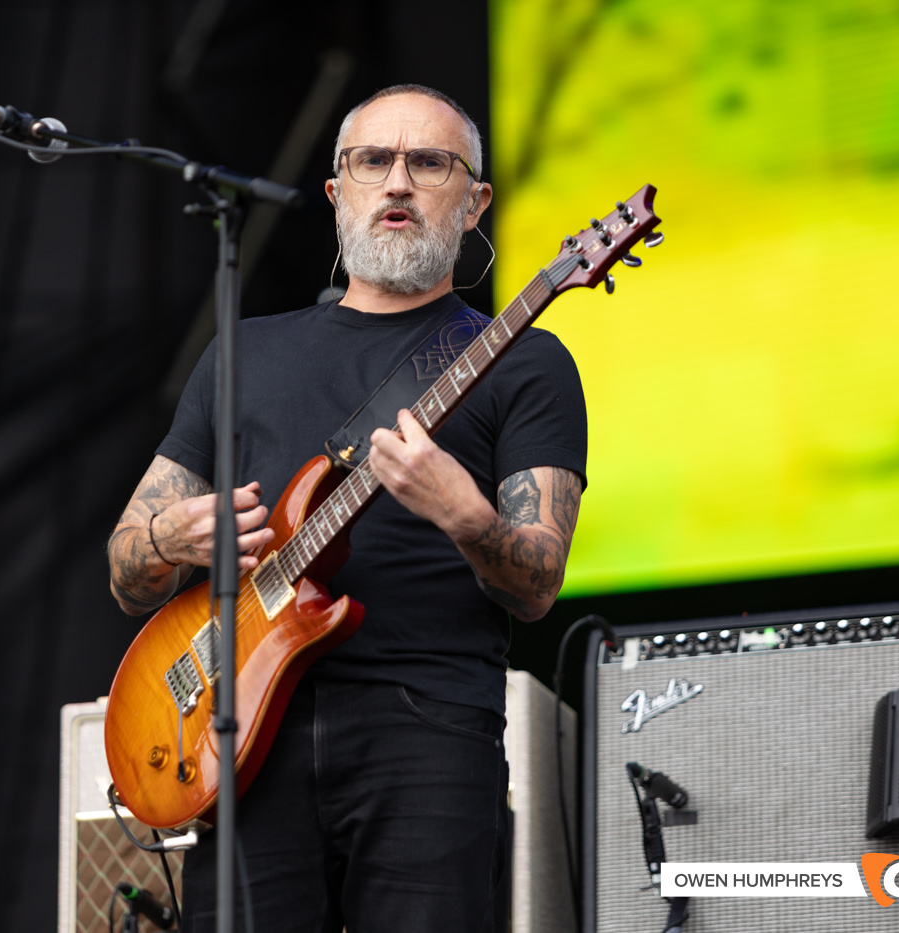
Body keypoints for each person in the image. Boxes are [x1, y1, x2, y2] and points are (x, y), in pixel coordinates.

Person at [106, 84, 587, 932]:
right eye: (374, 160)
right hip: (243, 735)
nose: (398, 182)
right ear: (336, 193)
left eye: (429, 162)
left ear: (475, 202)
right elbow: (124, 574)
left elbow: (538, 583)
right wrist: (171, 534)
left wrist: (465, 513)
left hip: (427, 728)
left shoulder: (525, 360)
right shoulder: (244, 352)